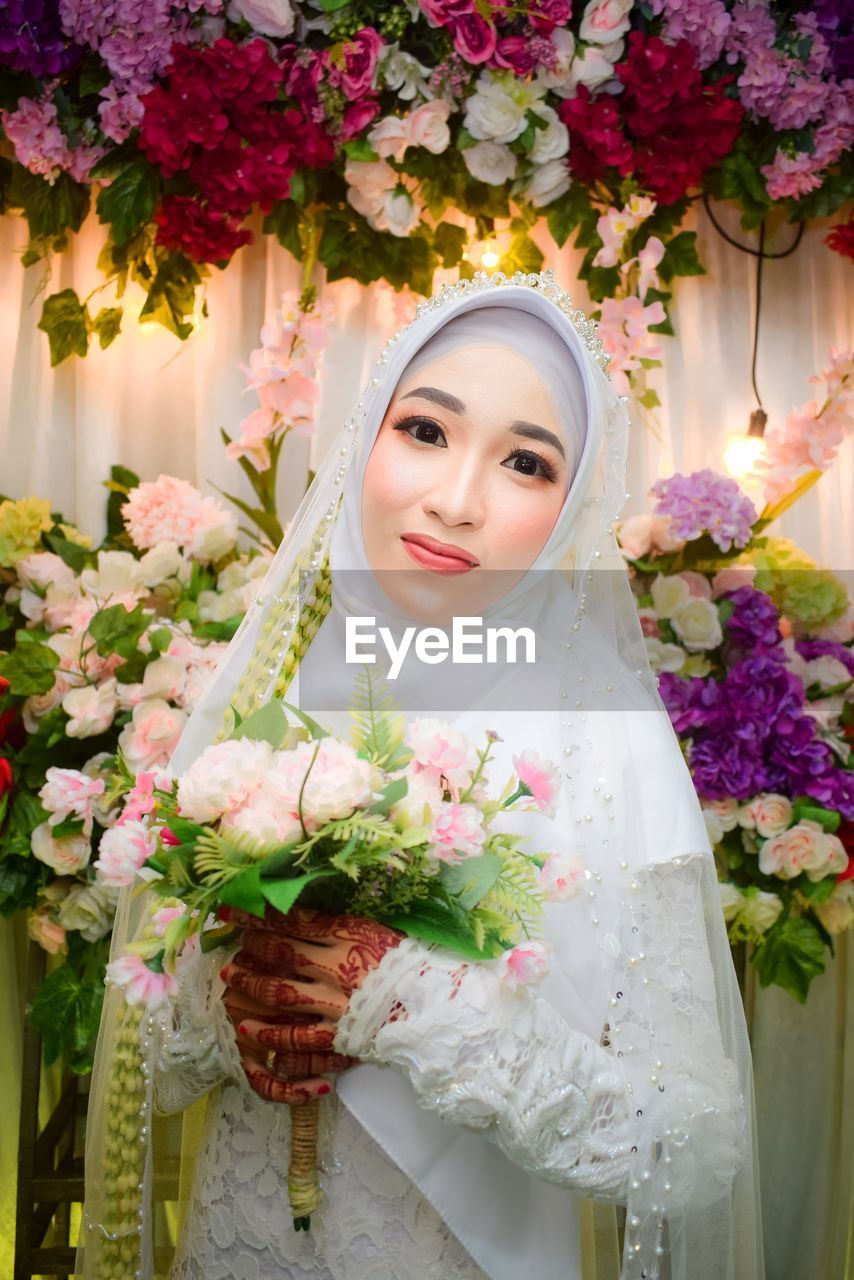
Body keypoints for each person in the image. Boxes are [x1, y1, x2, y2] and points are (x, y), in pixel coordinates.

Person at [77, 269, 764, 1280]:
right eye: (425, 431)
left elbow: (690, 1145)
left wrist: (409, 1000)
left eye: (525, 462)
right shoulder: (277, 684)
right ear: (363, 440)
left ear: (571, 509)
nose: (454, 498)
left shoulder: (603, 745)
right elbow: (153, 1049)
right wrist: (237, 1005)